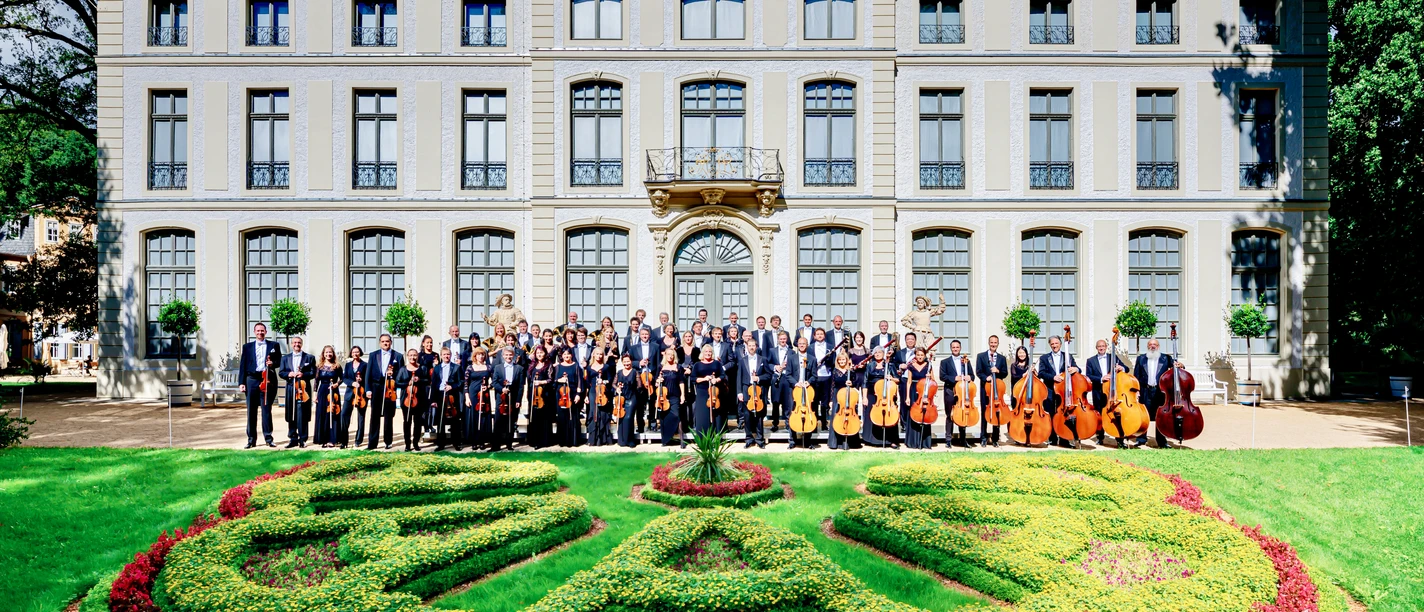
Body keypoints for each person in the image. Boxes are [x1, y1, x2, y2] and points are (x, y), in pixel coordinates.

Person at [238, 322, 283, 449]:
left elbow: (279, 361)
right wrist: (241, 382)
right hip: (251, 379)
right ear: (254, 332)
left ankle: (269, 438)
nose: (260, 333)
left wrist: (272, 363)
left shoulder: (274, 345)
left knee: (266, 410)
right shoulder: (247, 347)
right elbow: (243, 365)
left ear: (266, 332)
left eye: (262, 331)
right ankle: (251, 440)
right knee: (251, 410)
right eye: (258, 331)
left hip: (267, 379)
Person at [1037, 335, 1079, 448]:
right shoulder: (1044, 358)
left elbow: (1076, 368)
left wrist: (1076, 369)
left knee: (1063, 413)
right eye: (1052, 344)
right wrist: (1052, 377)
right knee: (1051, 412)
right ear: (1050, 345)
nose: (1054, 345)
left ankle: (1064, 439)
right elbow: (1041, 373)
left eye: (1056, 343)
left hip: (1064, 390)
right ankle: (1052, 438)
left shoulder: (1068, 356)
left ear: (1060, 344)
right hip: (1050, 389)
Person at [1134, 338, 1175, 448]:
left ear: (1158, 346)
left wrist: (1181, 366)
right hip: (1145, 390)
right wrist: (1136, 391)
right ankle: (1141, 439)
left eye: (1155, 345)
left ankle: (1162, 441)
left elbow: (1176, 369)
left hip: (1160, 391)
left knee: (1160, 416)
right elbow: (1136, 375)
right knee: (1144, 415)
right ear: (1147, 346)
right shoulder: (1141, 358)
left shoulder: (1166, 358)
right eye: (1150, 344)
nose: (1152, 346)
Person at [279, 336, 316, 448]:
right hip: (291, 388)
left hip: (303, 388)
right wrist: (288, 374)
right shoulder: (285, 358)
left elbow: (313, 373)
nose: (297, 344)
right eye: (294, 342)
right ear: (291, 344)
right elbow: (281, 372)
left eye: (299, 342)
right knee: (291, 413)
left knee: (302, 414)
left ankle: (303, 439)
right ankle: (293, 438)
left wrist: (303, 375)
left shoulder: (309, 358)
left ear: (302, 344)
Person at [366, 334, 402, 450]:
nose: (385, 343)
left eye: (387, 341)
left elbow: (402, 375)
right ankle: (372, 443)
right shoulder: (373, 355)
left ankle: (388, 442)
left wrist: (393, 376)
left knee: (388, 416)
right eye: (383, 341)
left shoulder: (398, 356)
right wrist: (368, 389)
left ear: (391, 342)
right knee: (374, 416)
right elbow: (368, 374)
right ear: (379, 343)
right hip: (376, 387)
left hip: (389, 388)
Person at [938, 340, 976, 448]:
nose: (955, 349)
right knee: (950, 415)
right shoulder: (945, 362)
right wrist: (955, 378)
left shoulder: (966, 361)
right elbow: (942, 376)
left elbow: (972, 376)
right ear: (951, 348)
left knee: (963, 414)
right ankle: (948, 440)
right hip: (950, 391)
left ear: (960, 348)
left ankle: (963, 440)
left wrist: (970, 377)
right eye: (953, 347)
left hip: (963, 392)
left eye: (957, 347)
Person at [736, 338, 770, 448]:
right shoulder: (742, 360)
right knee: (747, 415)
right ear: (747, 347)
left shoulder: (763, 359)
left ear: (756, 347)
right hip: (747, 390)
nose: (751, 347)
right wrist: (739, 392)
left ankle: (760, 439)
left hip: (759, 391)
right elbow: (739, 377)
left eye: (753, 345)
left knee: (759, 415)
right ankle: (749, 438)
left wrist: (758, 378)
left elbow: (768, 375)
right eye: (749, 345)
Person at [863, 347, 900, 448]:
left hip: (887, 394)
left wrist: (891, 378)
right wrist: (864, 397)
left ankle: (891, 440)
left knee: (889, 415)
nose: (877, 354)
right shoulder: (870, 366)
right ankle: (872, 440)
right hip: (872, 394)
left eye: (880, 352)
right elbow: (865, 382)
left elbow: (898, 379)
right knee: (872, 416)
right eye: (875, 353)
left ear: (883, 354)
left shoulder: (890, 365)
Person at [392, 349, 429, 451]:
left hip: (419, 399)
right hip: (406, 400)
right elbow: (397, 383)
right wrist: (407, 383)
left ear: (417, 356)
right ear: (407, 356)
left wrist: (419, 380)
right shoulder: (403, 370)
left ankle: (416, 443)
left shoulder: (422, 368)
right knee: (407, 422)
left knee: (417, 422)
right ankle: (407, 444)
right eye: (410, 355)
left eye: (414, 355)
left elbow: (427, 380)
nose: (412, 357)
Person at [976, 335, 1009, 447]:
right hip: (985, 389)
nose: (993, 344)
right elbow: (978, 371)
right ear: (989, 343)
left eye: (995, 342)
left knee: (997, 413)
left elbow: (1005, 373)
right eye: (991, 342)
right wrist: (986, 378)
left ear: (998, 344)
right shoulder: (981, 356)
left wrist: (998, 371)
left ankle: (995, 438)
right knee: (985, 412)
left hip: (997, 390)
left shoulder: (1002, 358)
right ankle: (983, 437)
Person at [488, 346, 522, 451]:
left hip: (513, 396)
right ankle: (496, 445)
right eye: (506, 355)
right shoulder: (498, 367)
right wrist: (502, 389)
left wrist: (518, 400)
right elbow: (494, 382)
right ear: (503, 356)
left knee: (511, 421)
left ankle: (509, 444)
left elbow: (520, 386)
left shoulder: (519, 368)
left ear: (513, 355)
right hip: (501, 397)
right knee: (498, 421)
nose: (508, 356)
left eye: (510, 355)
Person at [827, 351, 862, 450]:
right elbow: (832, 386)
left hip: (848, 396)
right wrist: (831, 400)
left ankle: (849, 442)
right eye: (840, 360)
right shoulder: (835, 371)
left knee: (849, 418)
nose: (842, 361)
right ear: (837, 361)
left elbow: (856, 382)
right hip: (838, 397)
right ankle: (835, 443)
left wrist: (851, 383)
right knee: (836, 418)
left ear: (846, 360)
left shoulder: (851, 371)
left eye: (843, 360)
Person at [786, 337, 817, 449]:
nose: (802, 345)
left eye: (804, 343)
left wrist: (808, 382)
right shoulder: (791, 358)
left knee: (808, 414)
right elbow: (788, 374)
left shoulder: (812, 359)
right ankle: (792, 441)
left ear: (807, 345)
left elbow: (815, 375)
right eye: (800, 343)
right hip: (795, 390)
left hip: (808, 390)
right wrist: (796, 383)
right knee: (793, 414)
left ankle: (808, 441)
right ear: (797, 345)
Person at [902, 347, 935, 449]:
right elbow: (909, 382)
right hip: (913, 391)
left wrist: (929, 377)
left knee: (924, 415)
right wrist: (907, 397)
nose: (920, 357)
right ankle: (913, 442)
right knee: (913, 415)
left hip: (924, 393)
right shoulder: (911, 366)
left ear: (925, 356)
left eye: (922, 355)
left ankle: (924, 442)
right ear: (915, 355)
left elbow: (933, 382)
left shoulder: (928, 365)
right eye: (918, 355)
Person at [432, 346, 463, 451]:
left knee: (454, 421)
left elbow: (461, 382)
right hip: (441, 395)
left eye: (448, 354)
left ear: (451, 355)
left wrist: (452, 386)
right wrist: (434, 400)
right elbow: (434, 385)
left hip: (452, 396)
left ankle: (456, 443)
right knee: (441, 421)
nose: (446, 356)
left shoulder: (456, 367)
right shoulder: (436, 368)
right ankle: (441, 444)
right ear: (441, 356)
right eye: (444, 354)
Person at [690, 345, 724, 437]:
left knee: (715, 414)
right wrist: (704, 379)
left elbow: (722, 375)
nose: (708, 353)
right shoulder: (697, 364)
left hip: (714, 391)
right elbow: (693, 378)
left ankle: (715, 437)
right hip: (702, 391)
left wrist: (716, 380)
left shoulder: (717, 363)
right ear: (703, 353)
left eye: (710, 352)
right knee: (703, 414)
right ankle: (702, 437)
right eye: (706, 351)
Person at [585, 348, 616, 446]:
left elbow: (610, 380)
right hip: (593, 392)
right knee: (593, 413)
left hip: (603, 392)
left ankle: (603, 439)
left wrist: (603, 382)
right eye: (597, 354)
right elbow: (587, 383)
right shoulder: (589, 368)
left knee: (603, 413)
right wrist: (586, 396)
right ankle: (593, 439)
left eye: (601, 354)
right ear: (593, 355)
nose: (599, 356)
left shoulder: (606, 367)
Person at [554, 348, 584, 447]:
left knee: (573, 416)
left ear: (571, 355)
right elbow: (554, 380)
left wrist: (578, 395)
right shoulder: (558, 367)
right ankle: (562, 440)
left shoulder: (576, 366)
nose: (566, 356)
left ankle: (573, 440)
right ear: (561, 356)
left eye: (568, 354)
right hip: (561, 395)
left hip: (572, 394)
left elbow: (580, 381)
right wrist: (559, 380)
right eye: (564, 354)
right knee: (562, 416)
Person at [340, 345, 368, 450]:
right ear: (351, 354)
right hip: (349, 394)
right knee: (344, 415)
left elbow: (367, 378)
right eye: (353, 352)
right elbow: (344, 378)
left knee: (361, 418)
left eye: (357, 352)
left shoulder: (365, 365)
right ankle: (344, 441)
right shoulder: (347, 365)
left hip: (361, 394)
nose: (355, 354)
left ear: (360, 353)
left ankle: (358, 440)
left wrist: (361, 382)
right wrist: (352, 383)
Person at [656, 348, 686, 447]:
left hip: (675, 395)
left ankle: (680, 439)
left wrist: (683, 395)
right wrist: (658, 381)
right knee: (664, 418)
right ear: (665, 355)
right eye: (668, 354)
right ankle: (665, 440)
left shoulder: (678, 367)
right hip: (663, 397)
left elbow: (681, 382)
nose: (670, 356)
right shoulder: (660, 367)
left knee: (676, 416)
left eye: (672, 355)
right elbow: (656, 383)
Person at [526, 345, 555, 449]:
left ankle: (544, 440)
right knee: (534, 417)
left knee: (543, 417)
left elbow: (550, 379)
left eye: (541, 352)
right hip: (533, 394)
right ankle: (534, 440)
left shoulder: (549, 365)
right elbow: (529, 380)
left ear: (545, 353)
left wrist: (541, 382)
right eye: (538, 352)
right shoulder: (532, 365)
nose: (539, 354)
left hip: (544, 394)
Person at [463, 347, 492, 450]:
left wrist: (488, 387)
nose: (480, 356)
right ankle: (474, 441)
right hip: (473, 394)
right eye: (478, 354)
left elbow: (494, 381)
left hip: (485, 395)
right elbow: (466, 384)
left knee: (484, 416)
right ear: (475, 356)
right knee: (474, 417)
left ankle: (482, 441)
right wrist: (467, 397)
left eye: (482, 354)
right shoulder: (470, 368)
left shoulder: (488, 367)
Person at [313, 346, 341, 448]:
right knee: (322, 414)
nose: (328, 354)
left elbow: (342, 378)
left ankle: (332, 439)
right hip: (322, 391)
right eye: (326, 352)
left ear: (333, 354)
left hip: (333, 391)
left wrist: (336, 384)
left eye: (330, 352)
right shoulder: (319, 366)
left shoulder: (337, 366)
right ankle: (323, 439)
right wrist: (314, 395)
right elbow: (316, 381)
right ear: (323, 354)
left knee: (333, 414)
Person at [769, 331, 795, 432]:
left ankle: (788, 423)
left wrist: (787, 366)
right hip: (777, 378)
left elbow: (794, 365)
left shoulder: (792, 352)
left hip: (787, 378)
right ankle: (775, 423)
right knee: (775, 402)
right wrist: (776, 367)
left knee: (788, 402)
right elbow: (768, 364)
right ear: (778, 340)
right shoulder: (772, 350)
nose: (783, 341)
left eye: (784, 339)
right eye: (781, 339)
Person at [614, 354, 641, 447]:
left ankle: (630, 440)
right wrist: (617, 388)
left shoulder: (635, 372)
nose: (626, 363)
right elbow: (614, 384)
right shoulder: (619, 372)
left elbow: (639, 385)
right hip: (622, 397)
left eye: (628, 361)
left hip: (632, 396)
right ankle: (622, 440)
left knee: (629, 417)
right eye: (624, 361)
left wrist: (632, 387)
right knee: (621, 416)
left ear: (631, 362)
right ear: (622, 362)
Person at [1009, 346, 1032, 445]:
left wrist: (1034, 372)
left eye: (1023, 352)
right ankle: (1018, 435)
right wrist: (1023, 376)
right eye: (1020, 353)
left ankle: (1030, 435)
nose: (1021, 354)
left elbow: (1037, 377)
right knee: (1017, 416)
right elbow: (1014, 377)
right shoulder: (1014, 365)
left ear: (1026, 354)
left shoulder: (1030, 366)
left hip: (1029, 395)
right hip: (1017, 394)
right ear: (1017, 354)